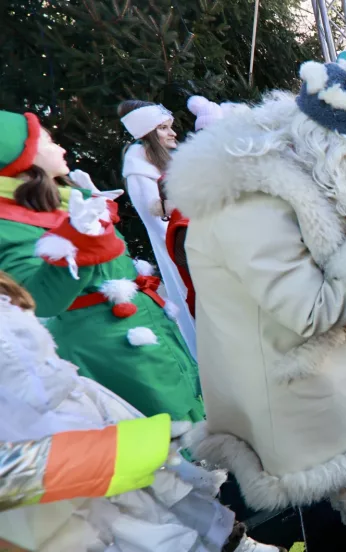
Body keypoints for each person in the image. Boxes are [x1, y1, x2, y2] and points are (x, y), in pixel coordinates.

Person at [165, 60, 346, 546]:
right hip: (289, 367)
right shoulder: (255, 205)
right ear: (330, 142)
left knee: (335, 449)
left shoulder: (271, 180)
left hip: (282, 357)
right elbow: (306, 309)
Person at [0, 287, 285, 552]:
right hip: (30, 445)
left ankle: (231, 545)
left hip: (75, 406)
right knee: (104, 524)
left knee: (159, 486)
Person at [0, 110, 203, 421]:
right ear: (21, 155)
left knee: (192, 414)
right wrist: (80, 240)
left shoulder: (63, 201)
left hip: (147, 334)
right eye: (50, 141)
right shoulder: (9, 224)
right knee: (169, 439)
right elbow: (39, 298)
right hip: (114, 352)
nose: (61, 148)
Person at [118, 100, 198, 356]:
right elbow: (158, 220)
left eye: (169, 127)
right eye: (163, 128)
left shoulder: (165, 162)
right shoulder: (139, 170)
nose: (173, 132)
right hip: (182, 250)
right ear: (148, 134)